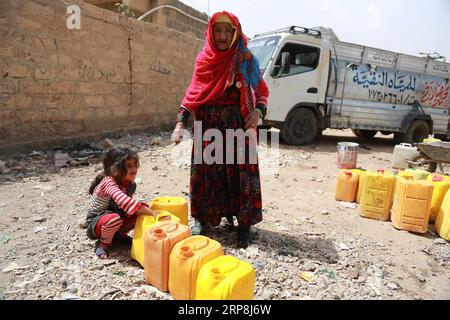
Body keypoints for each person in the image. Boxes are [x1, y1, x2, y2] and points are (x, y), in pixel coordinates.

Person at [171, 11, 269, 248]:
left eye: (227, 30)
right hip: (207, 127)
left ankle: (244, 226)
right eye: (218, 30)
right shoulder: (204, 60)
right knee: (206, 175)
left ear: (235, 33)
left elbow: (262, 92)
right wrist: (179, 123)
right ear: (211, 33)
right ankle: (203, 220)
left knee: (241, 176)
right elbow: (193, 93)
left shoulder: (245, 59)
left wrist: (257, 112)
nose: (223, 35)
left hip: (237, 126)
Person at [85, 147, 157, 259]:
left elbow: (128, 208)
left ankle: (118, 236)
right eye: (128, 166)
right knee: (116, 218)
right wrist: (153, 213)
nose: (134, 169)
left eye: (135, 165)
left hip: (115, 216)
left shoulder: (130, 184)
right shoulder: (108, 182)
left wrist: (145, 210)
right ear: (115, 169)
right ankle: (103, 243)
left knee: (141, 211)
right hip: (97, 223)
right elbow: (125, 202)